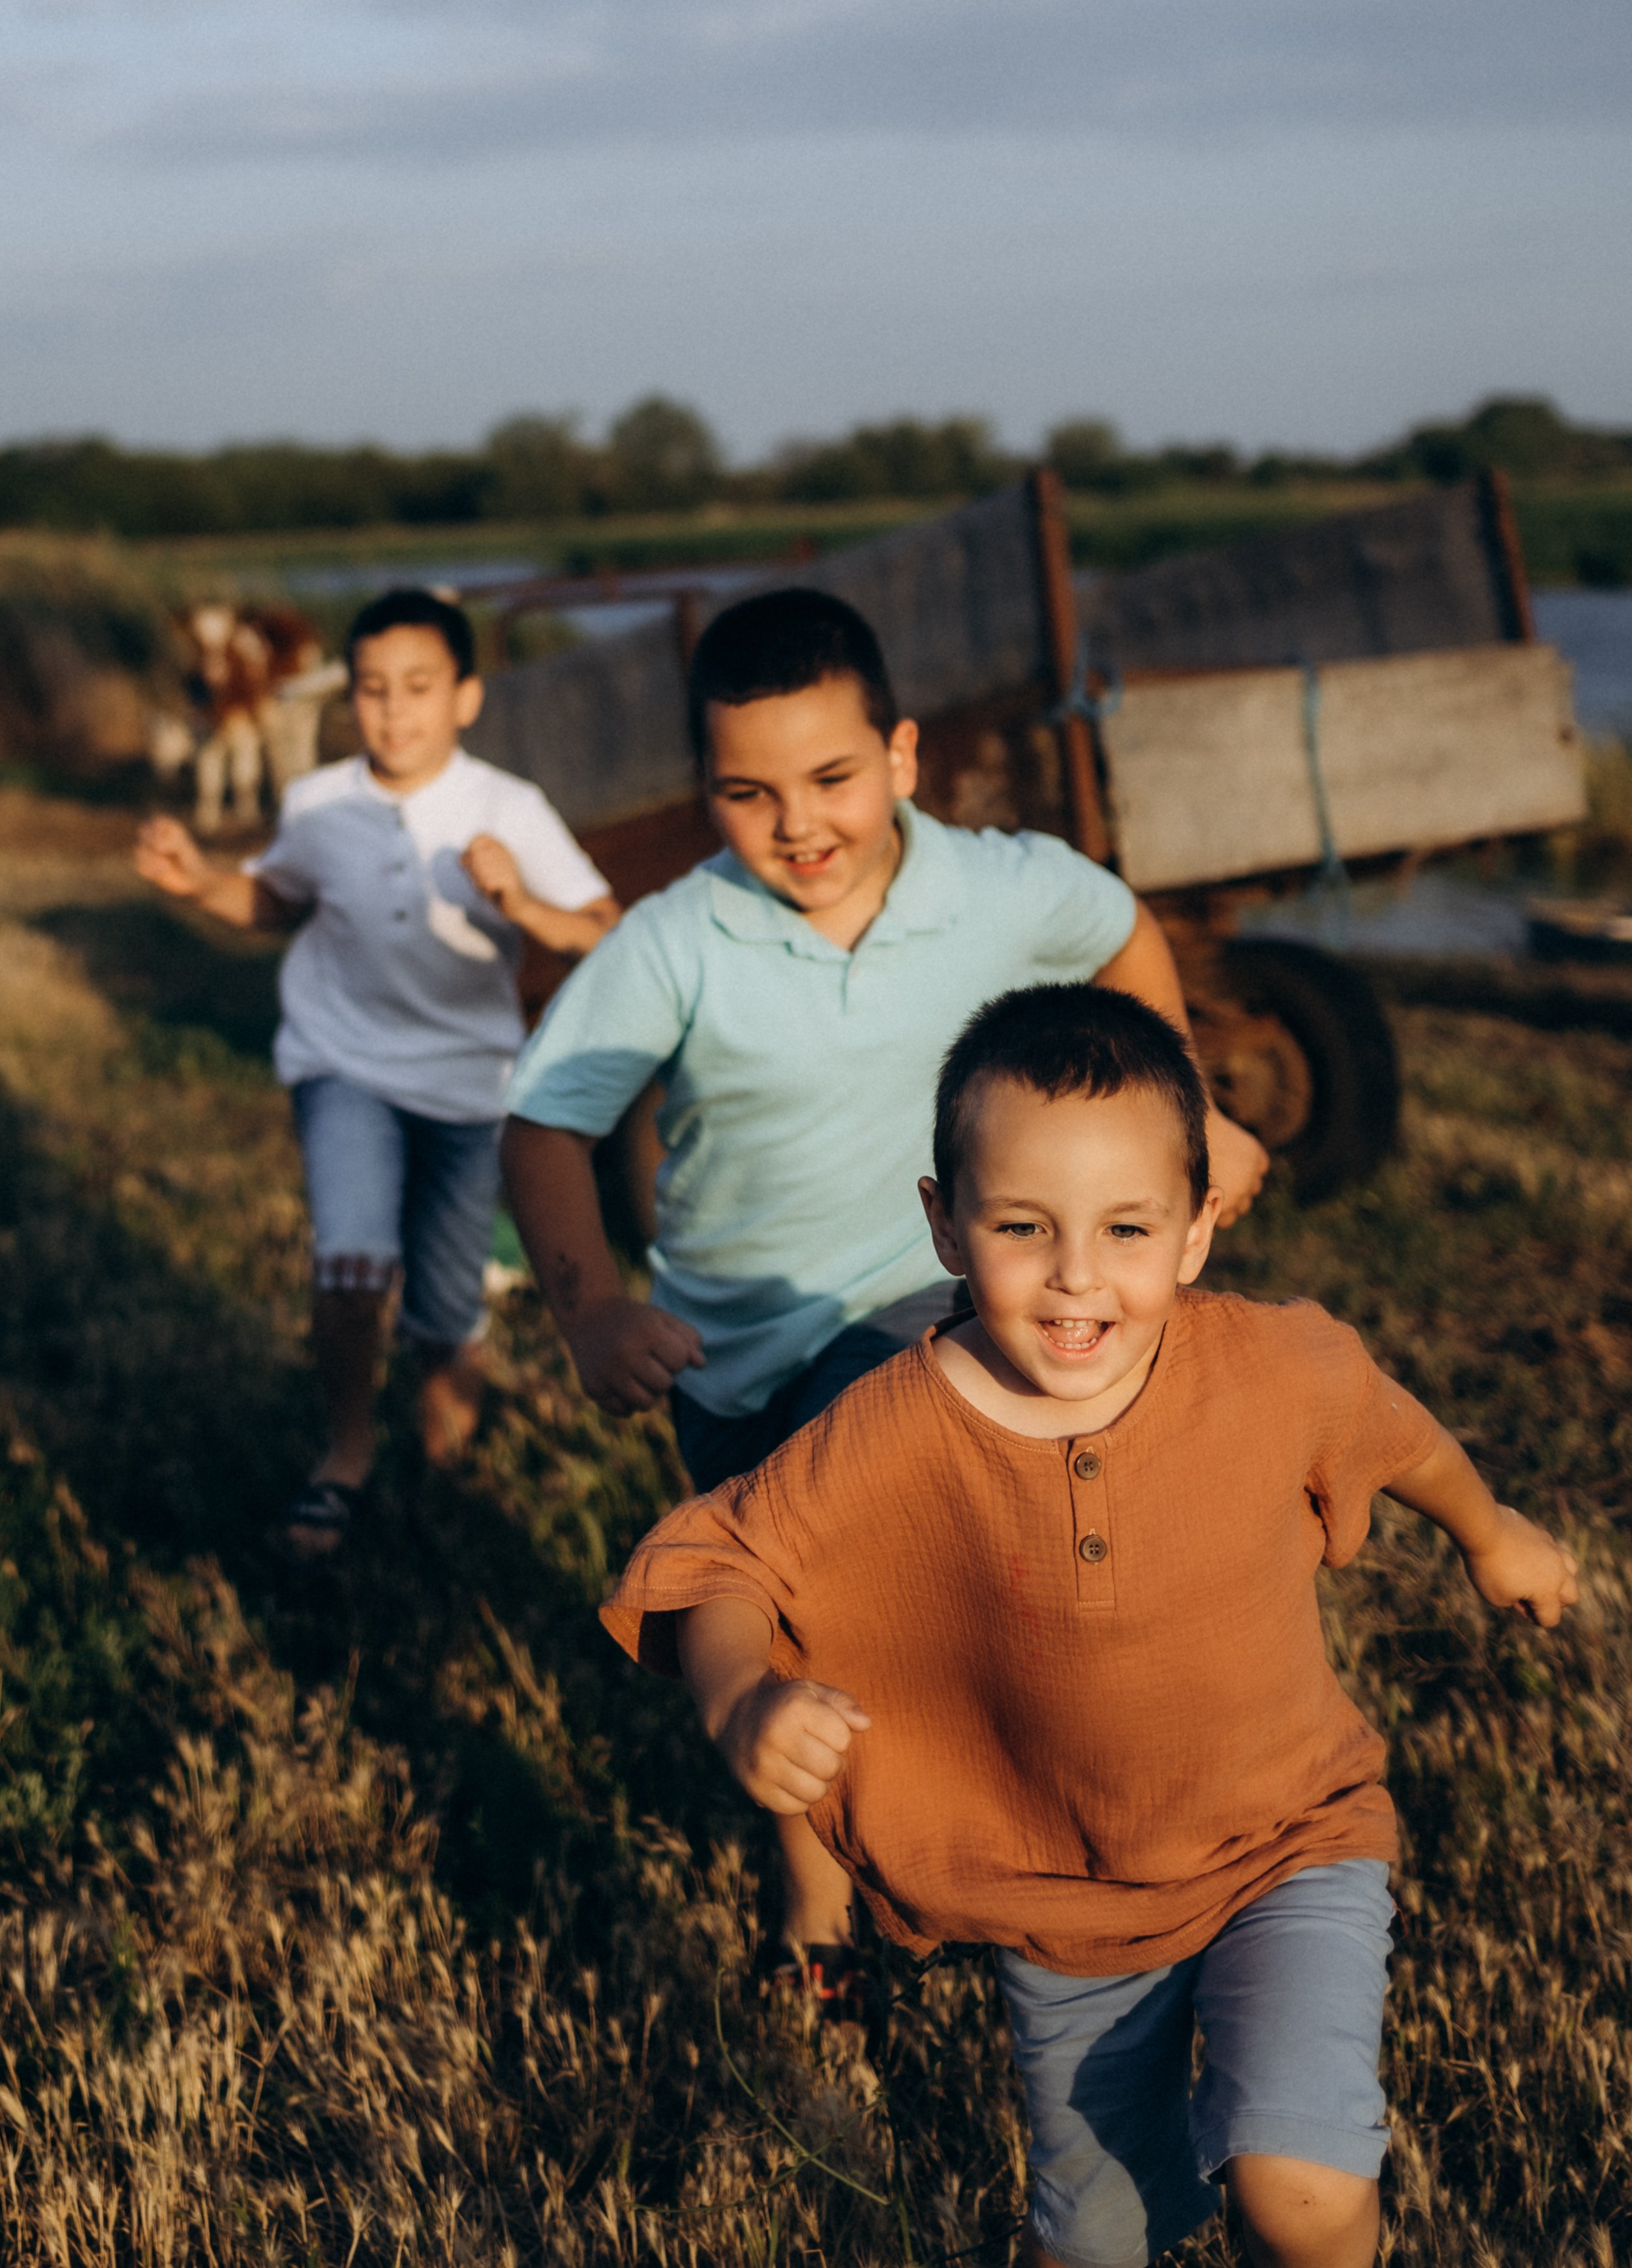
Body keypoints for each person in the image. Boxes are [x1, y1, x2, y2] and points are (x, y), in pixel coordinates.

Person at [600, 983, 1578, 2268]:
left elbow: (1387, 1422)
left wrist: (1490, 1528)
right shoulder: (896, 1426)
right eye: (1023, 1225)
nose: (1076, 1275)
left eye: (1127, 1227)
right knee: (1095, 2238)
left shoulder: (1269, 1368)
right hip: (1064, 1910)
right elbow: (722, 1551)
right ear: (945, 1225)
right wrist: (738, 1696)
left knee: (1300, 2183)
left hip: (1290, 1838)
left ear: (1194, 1231)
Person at [501, 586, 1269, 1991]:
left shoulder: (1004, 883)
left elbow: (1117, 933)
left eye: (834, 778)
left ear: (903, 758)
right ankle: (820, 1895)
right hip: (735, 1366)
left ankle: (1058, 1849)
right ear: (708, 794)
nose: (799, 823)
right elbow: (546, 1122)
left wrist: (1188, 1118)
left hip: (933, 1315)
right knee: (801, 1637)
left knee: (941, 1563)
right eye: (748, 792)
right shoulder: (681, 939)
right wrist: (591, 1313)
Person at [136, 585, 619, 1559]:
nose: (392, 710)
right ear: (345, 698)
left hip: (472, 1085)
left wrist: (519, 902)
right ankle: (345, 1450)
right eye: (370, 689)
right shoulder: (318, 804)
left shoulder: (506, 807)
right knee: (351, 1265)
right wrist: (201, 884)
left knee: (444, 1308)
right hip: (342, 1063)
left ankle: (444, 1437)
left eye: (417, 687)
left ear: (466, 698)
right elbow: (275, 900)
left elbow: (602, 933)